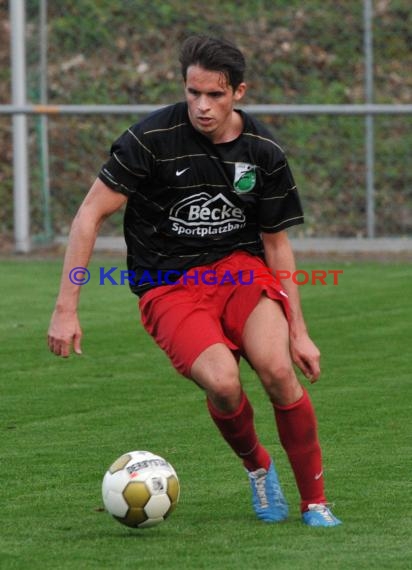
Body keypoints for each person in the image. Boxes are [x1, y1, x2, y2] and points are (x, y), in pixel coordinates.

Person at [48, 34, 341, 527]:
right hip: (168, 285)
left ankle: (315, 502)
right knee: (224, 384)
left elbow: (275, 245)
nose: (202, 107)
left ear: (239, 92)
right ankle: (258, 467)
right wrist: (65, 306)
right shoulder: (149, 140)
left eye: (215, 95)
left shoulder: (263, 151)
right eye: (193, 93)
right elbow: (88, 215)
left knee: (278, 371)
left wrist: (299, 330)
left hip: (239, 271)